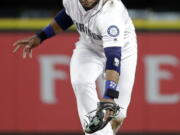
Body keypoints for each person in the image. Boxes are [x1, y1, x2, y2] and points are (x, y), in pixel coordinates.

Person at [13, 0, 137, 135]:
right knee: (81, 81)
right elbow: (67, 16)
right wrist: (41, 36)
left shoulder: (111, 15)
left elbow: (113, 58)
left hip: (123, 50)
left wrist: (109, 95)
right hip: (89, 46)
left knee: (118, 115)